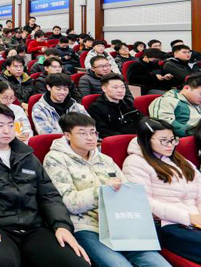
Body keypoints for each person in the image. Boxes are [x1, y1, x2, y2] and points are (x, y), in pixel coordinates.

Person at [0, 102, 90, 266]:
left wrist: (61, 225)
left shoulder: (26, 154)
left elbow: (49, 194)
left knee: (76, 262)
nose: (7, 131)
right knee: (2, 263)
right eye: (0, 125)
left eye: (11, 125)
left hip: (33, 227)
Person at [44, 113, 170, 267]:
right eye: (82, 133)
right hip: (86, 226)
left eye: (93, 132)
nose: (90, 138)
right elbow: (67, 202)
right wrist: (102, 191)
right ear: (67, 135)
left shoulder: (105, 159)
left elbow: (127, 192)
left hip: (119, 224)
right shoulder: (55, 159)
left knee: (159, 263)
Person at [123, 117, 201, 263]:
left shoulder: (181, 161)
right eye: (163, 140)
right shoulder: (135, 163)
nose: (170, 145)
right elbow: (144, 202)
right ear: (146, 140)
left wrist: (198, 215)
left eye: (172, 140)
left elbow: (199, 190)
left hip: (194, 220)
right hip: (167, 224)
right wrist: (188, 217)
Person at [87, 73, 142, 138]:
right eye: (115, 87)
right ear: (104, 89)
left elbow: (141, 122)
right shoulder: (96, 108)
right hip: (116, 140)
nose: (120, 91)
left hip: (136, 139)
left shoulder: (128, 104)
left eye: (123, 87)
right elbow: (103, 131)